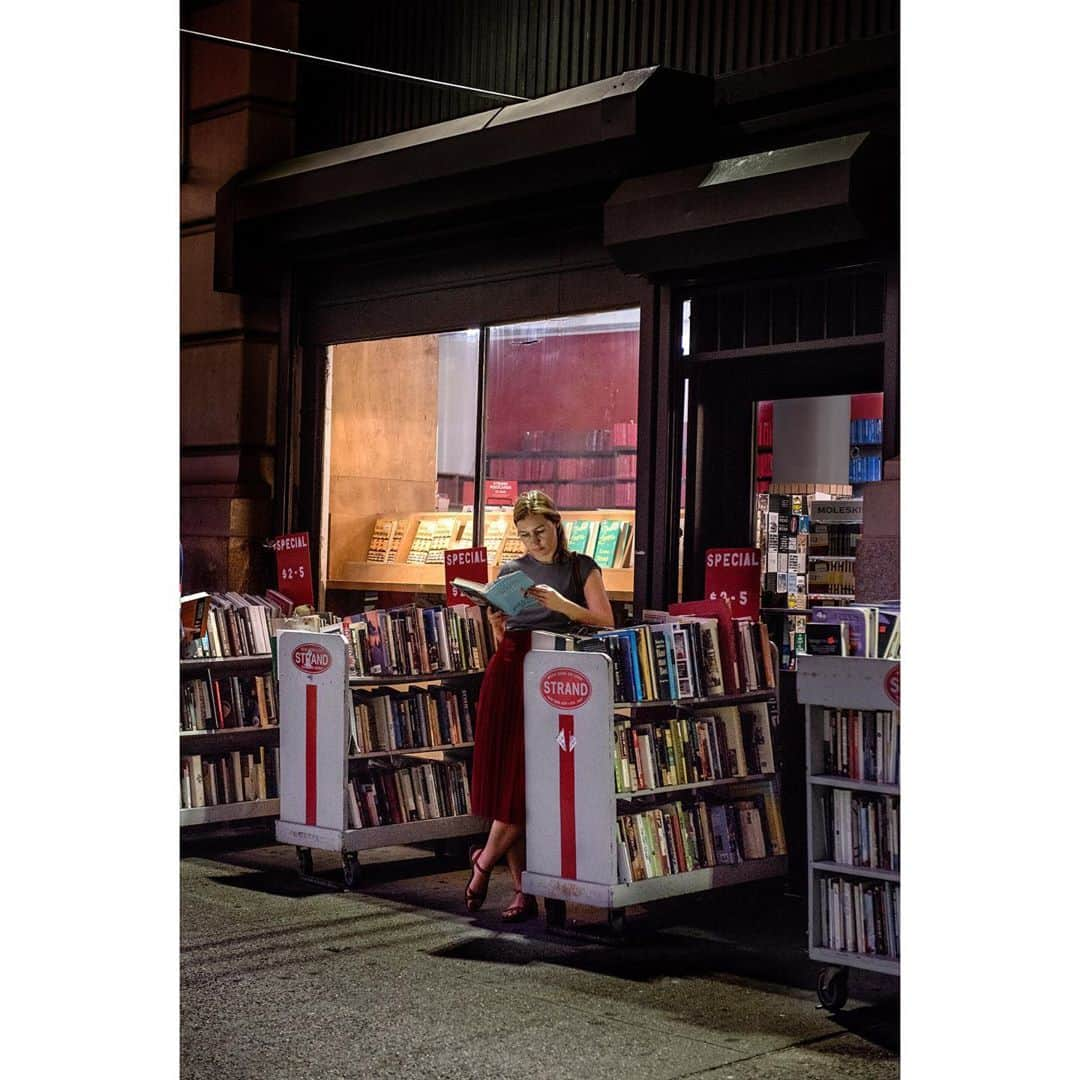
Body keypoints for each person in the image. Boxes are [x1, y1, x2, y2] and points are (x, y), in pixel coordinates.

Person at [466, 490, 614, 921]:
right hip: (511, 669)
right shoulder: (512, 570)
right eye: (526, 535)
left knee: (530, 784)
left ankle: (482, 864)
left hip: (558, 676)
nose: (536, 542)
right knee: (509, 782)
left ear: (557, 525)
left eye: (542, 532)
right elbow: (504, 631)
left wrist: (563, 605)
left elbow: (606, 620)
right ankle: (520, 889)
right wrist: (497, 625)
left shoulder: (580, 566)